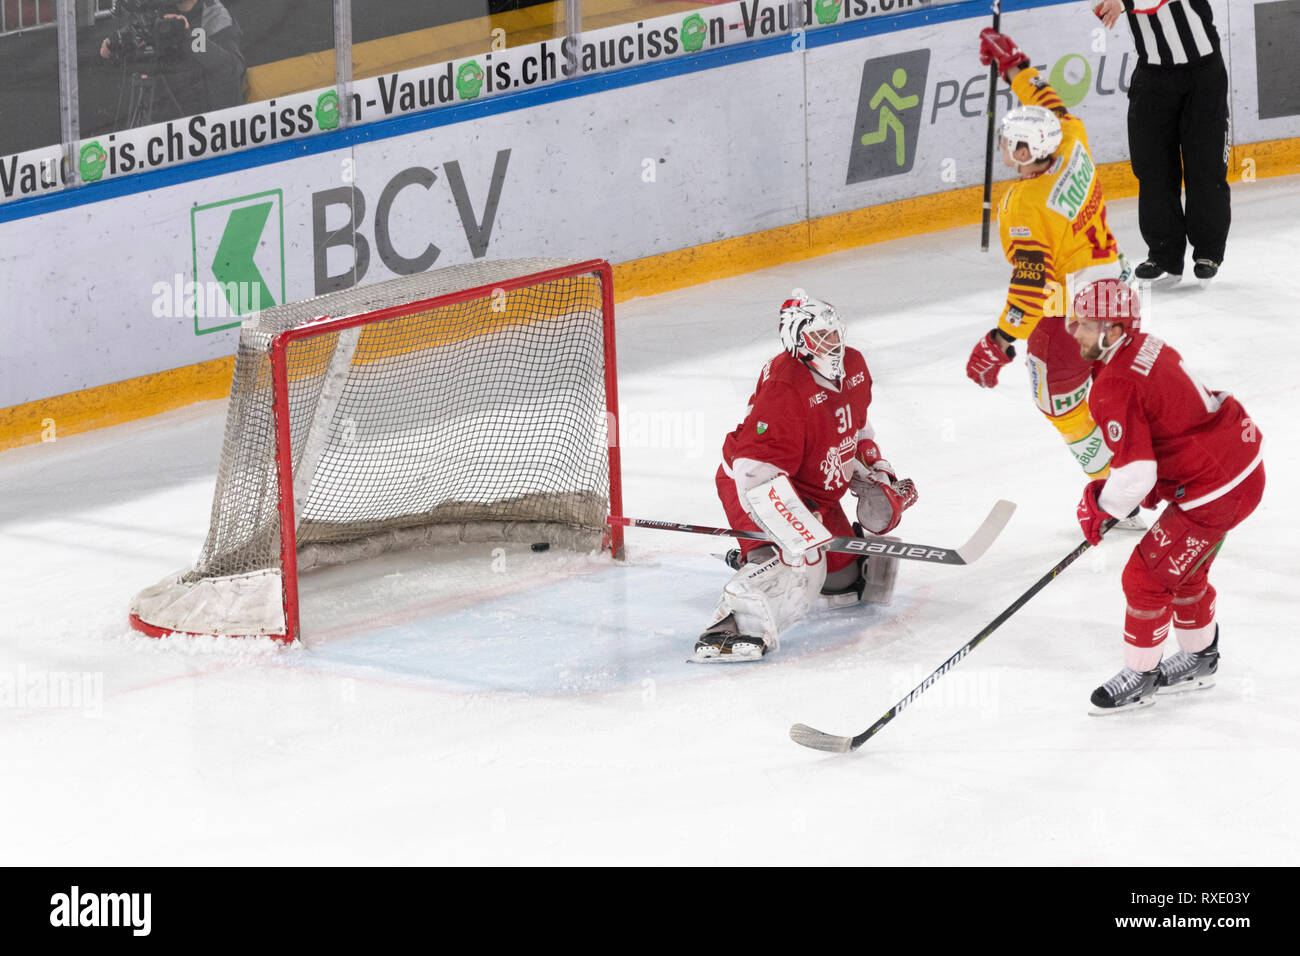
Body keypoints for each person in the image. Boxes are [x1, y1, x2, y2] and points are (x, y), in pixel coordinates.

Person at [1069, 278, 1264, 712]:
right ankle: (1199, 658)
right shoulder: (1146, 345)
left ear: (1114, 331)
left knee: (1145, 578)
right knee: (1184, 572)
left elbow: (1137, 474)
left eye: (1084, 323)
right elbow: (1167, 424)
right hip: (1238, 468)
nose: (1074, 331)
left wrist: (1103, 508)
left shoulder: (1114, 384)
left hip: (1217, 490)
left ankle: (1140, 677)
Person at [695, 290, 919, 662]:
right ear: (797, 340)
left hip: (816, 495)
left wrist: (874, 471)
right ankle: (732, 627)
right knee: (795, 567)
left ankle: (765, 557)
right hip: (757, 487)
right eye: (821, 337)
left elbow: (854, 428)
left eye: (835, 335)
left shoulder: (856, 365)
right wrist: (795, 527)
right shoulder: (786, 386)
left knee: (843, 584)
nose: (833, 345)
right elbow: (753, 470)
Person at [966, 29, 1137, 496]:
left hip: (1073, 311)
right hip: (1119, 289)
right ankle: (1141, 462)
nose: (1006, 148)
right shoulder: (1072, 138)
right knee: (1116, 382)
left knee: (1060, 405)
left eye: (1012, 143)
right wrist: (1015, 66)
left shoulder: (1025, 205)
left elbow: (1030, 287)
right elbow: (1046, 98)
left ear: (1026, 152)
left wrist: (999, 340)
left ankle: (1116, 490)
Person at [1091, 0, 1230, 287]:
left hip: (1202, 72)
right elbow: (1102, 6)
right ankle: (1164, 253)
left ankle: (1208, 252)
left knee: (1205, 165)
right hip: (1152, 76)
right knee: (1151, 166)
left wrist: (1122, 2)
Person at [101, 0, 246, 125]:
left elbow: (231, 69)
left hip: (205, 121)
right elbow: (109, 50)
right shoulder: (159, 12)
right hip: (161, 121)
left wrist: (189, 37)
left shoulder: (215, 16)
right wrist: (116, 42)